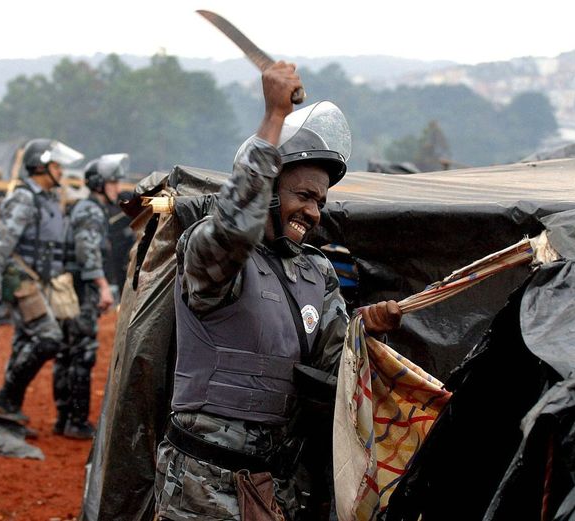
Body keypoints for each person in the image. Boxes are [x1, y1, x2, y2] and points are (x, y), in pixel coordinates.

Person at [154, 62, 402, 520]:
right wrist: (272, 117)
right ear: (268, 187)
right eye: (303, 195)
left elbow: (337, 364)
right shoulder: (210, 253)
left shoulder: (317, 272)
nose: (312, 211)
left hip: (275, 487)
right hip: (200, 487)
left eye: (320, 202)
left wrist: (368, 331)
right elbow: (234, 226)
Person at [0, 138, 84, 431]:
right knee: (48, 337)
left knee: (24, 342)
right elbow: (2, 242)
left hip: (39, 281)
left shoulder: (48, 199)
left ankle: (9, 409)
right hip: (20, 280)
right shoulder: (25, 198)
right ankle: (6, 396)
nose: (61, 172)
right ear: (40, 166)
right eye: (56, 166)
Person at [53, 155, 122, 438]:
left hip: (75, 290)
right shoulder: (92, 212)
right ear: (99, 184)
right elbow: (87, 253)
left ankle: (64, 418)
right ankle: (76, 421)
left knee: (68, 353)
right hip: (82, 292)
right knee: (81, 353)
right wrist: (103, 286)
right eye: (113, 182)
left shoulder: (86, 209)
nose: (118, 187)